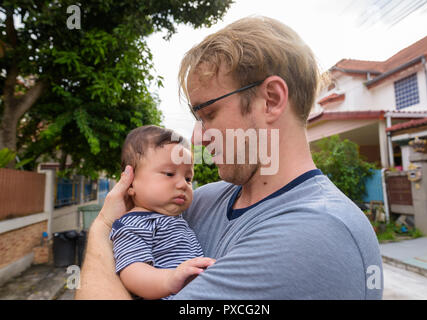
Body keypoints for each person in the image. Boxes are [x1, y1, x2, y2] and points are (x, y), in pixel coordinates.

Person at [76, 16, 383, 300]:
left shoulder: (313, 234)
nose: (197, 138)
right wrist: (110, 221)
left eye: (208, 113)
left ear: (271, 100)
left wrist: (103, 227)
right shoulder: (202, 202)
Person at [109, 125, 215, 299]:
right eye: (169, 173)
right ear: (131, 182)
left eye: (188, 178)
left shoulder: (175, 217)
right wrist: (170, 279)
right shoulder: (133, 224)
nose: (183, 184)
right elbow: (132, 271)